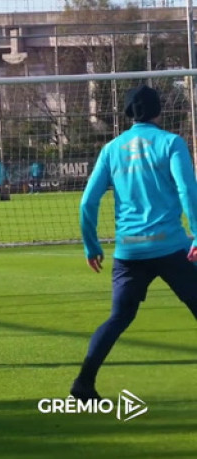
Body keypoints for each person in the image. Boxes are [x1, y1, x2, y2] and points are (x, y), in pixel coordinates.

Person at [71, 85, 197, 401]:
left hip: (129, 252)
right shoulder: (171, 143)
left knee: (119, 317)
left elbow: (87, 202)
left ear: (128, 114)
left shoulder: (112, 149)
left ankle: (83, 382)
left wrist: (91, 245)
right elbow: (187, 191)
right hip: (170, 248)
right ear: (159, 111)